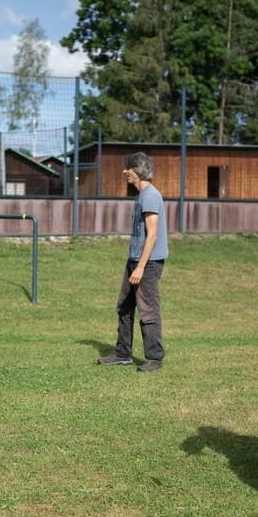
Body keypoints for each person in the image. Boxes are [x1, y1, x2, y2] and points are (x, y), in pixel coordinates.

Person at [96, 151, 168, 372]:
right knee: (125, 307)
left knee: (148, 311)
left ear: (137, 171)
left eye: (128, 168)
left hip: (147, 264)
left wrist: (140, 267)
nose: (124, 172)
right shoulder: (141, 195)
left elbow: (152, 235)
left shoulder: (150, 196)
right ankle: (122, 353)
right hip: (135, 261)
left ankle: (154, 358)